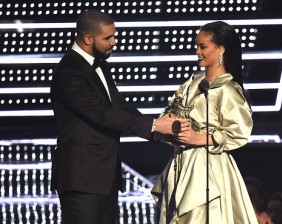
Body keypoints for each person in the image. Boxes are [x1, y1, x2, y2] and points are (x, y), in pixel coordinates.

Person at [50, 10, 189, 224]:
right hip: (82, 179)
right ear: (88, 39)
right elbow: (101, 114)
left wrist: (156, 132)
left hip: (104, 177)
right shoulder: (68, 72)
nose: (114, 42)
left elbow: (119, 107)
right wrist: (154, 125)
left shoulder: (98, 66)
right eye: (108, 38)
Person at [151, 21, 258, 223]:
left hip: (209, 168)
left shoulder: (228, 90)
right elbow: (169, 115)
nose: (197, 52)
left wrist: (198, 138)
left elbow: (240, 133)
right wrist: (171, 132)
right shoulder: (190, 84)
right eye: (197, 46)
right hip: (180, 164)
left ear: (221, 49)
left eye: (203, 47)